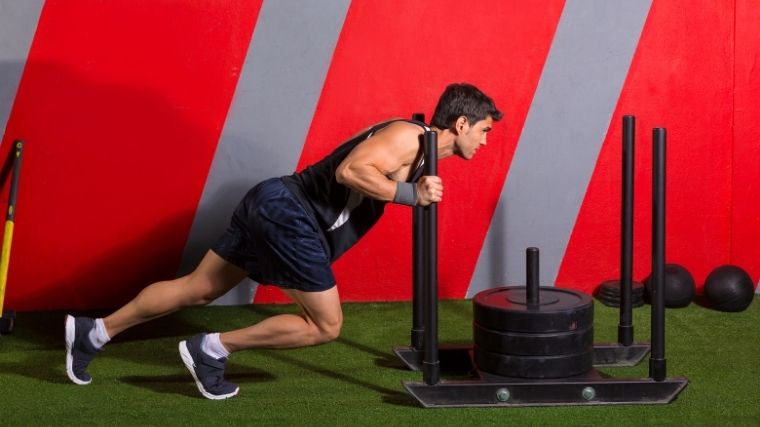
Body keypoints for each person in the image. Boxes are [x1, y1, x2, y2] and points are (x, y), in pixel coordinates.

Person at [64, 82, 502, 399]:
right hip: (292, 214)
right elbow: (350, 172)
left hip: (273, 202)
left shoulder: (421, 149)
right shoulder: (408, 135)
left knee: (197, 288)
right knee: (326, 326)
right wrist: (411, 194)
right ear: (461, 123)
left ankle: (95, 332)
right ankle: (211, 349)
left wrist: (417, 187)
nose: (484, 142)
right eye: (483, 130)